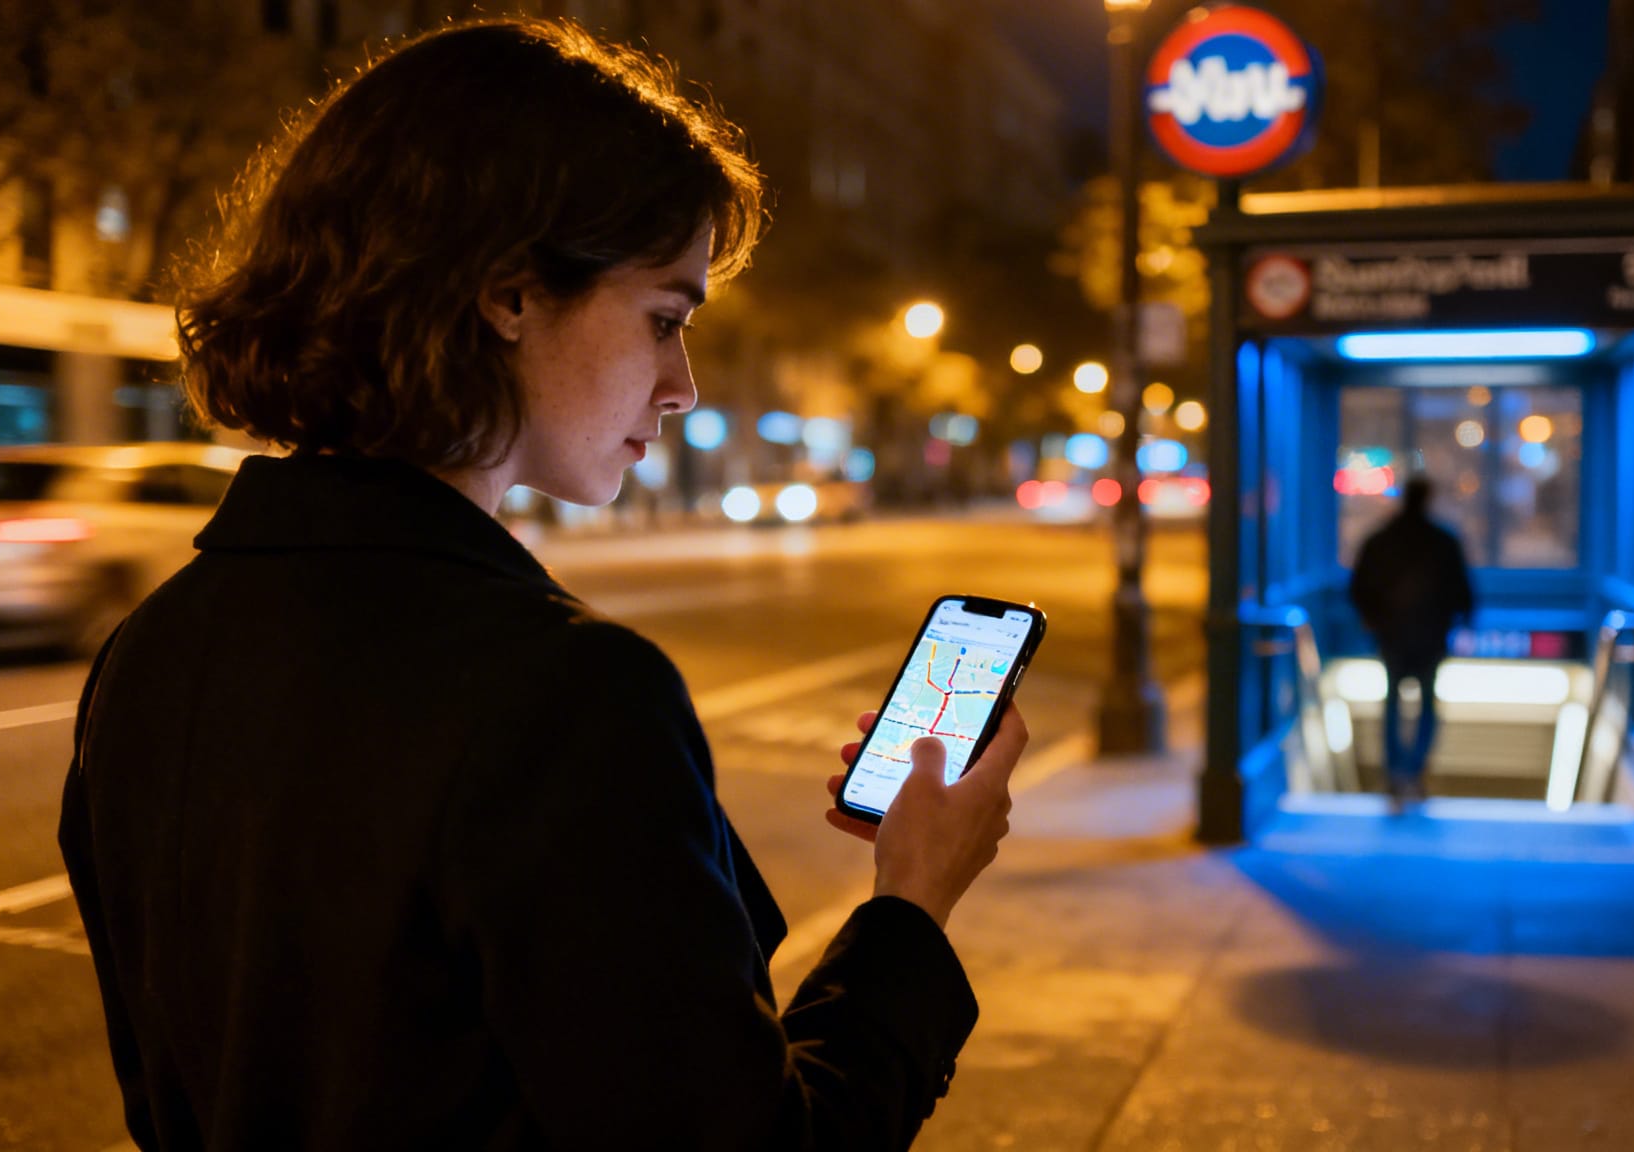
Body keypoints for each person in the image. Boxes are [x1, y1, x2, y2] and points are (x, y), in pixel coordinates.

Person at [57, 20, 1024, 1150]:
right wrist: (911, 904)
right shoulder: (563, 694)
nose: (683, 386)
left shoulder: (152, 648)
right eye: (664, 319)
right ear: (509, 294)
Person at [1348, 476, 1475, 808]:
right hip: (1431, 637)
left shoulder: (1381, 539)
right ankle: (1415, 769)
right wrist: (1460, 625)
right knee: (1428, 705)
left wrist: (1374, 621)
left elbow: (1359, 586)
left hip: (1391, 636)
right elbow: (1462, 592)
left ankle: (1395, 772)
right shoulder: (1443, 540)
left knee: (1392, 703)